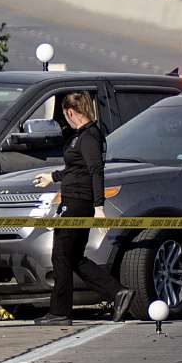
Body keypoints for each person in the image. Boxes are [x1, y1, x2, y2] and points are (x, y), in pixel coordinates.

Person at [31, 92, 134, 326]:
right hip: (74, 199)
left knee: (61, 256)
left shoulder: (89, 136)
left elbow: (95, 171)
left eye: (65, 116)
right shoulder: (83, 136)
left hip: (78, 202)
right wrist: (52, 176)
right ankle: (118, 293)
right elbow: (77, 169)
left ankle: (60, 312)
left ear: (70, 112)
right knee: (74, 257)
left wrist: (99, 207)